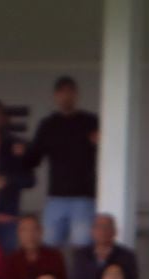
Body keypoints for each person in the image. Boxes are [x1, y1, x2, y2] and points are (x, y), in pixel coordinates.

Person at [28, 78, 99, 249]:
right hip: (56, 196)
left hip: (84, 196)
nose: (66, 97)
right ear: (55, 96)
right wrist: (22, 153)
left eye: (70, 92)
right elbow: (33, 159)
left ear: (76, 95)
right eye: (62, 93)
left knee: (83, 246)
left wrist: (99, 143)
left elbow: (109, 155)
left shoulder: (90, 122)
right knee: (47, 246)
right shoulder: (48, 125)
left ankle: (82, 277)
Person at [67, 212, 138, 279]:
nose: (103, 231)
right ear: (92, 231)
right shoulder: (81, 255)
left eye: (107, 227)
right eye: (99, 227)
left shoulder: (126, 256)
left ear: (115, 232)